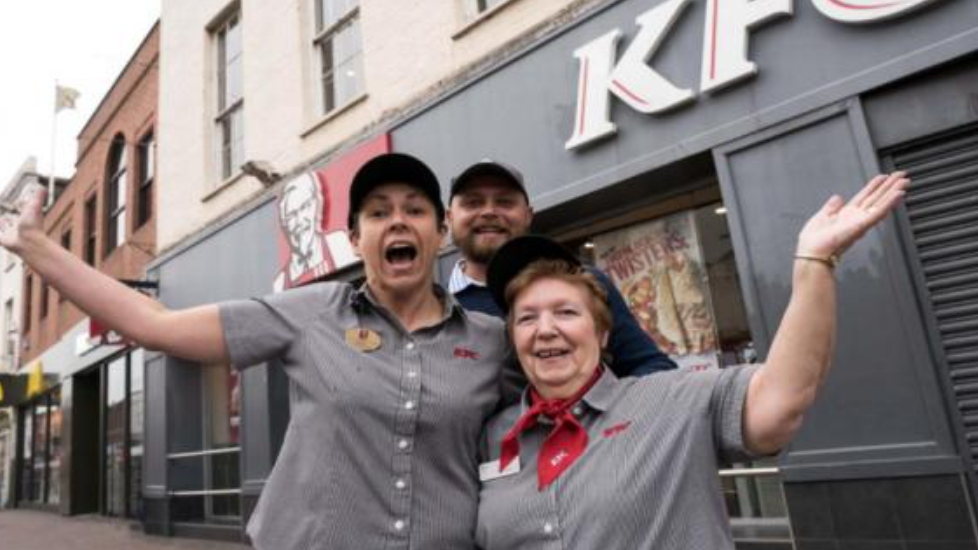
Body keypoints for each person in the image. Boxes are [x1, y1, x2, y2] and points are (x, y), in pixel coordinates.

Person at [0, 153, 510, 550]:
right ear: (355, 238)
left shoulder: (491, 340)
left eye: (415, 210)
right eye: (378, 213)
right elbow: (154, 324)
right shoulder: (312, 313)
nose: (398, 221)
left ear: (440, 232)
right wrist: (37, 248)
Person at [474, 173, 908, 549]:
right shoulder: (493, 436)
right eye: (527, 318)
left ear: (604, 333)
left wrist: (815, 263)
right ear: (513, 338)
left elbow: (781, 400)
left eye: (566, 312)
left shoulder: (670, 400)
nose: (545, 329)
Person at [446, 159, 676, 376]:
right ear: (449, 218)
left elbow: (653, 367)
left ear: (528, 215)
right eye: (473, 202)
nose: (488, 211)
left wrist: (598, 413)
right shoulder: (437, 309)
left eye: (505, 202)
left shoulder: (581, 280)